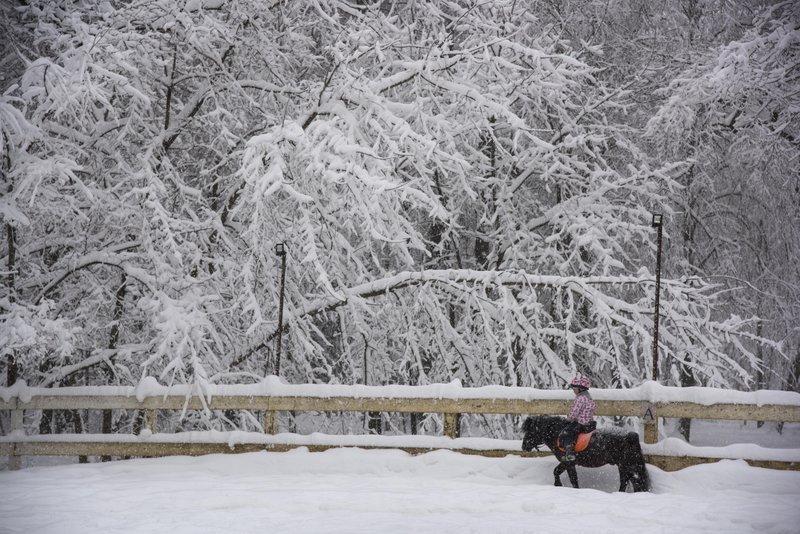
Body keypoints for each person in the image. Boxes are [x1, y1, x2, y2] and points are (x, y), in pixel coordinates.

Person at [559, 375, 596, 461]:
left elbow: (574, 412)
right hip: (589, 422)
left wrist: (568, 420)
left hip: (580, 423)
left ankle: (569, 451)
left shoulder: (580, 398)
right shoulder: (588, 397)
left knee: (567, 432)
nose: (574, 391)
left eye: (575, 389)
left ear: (581, 389)